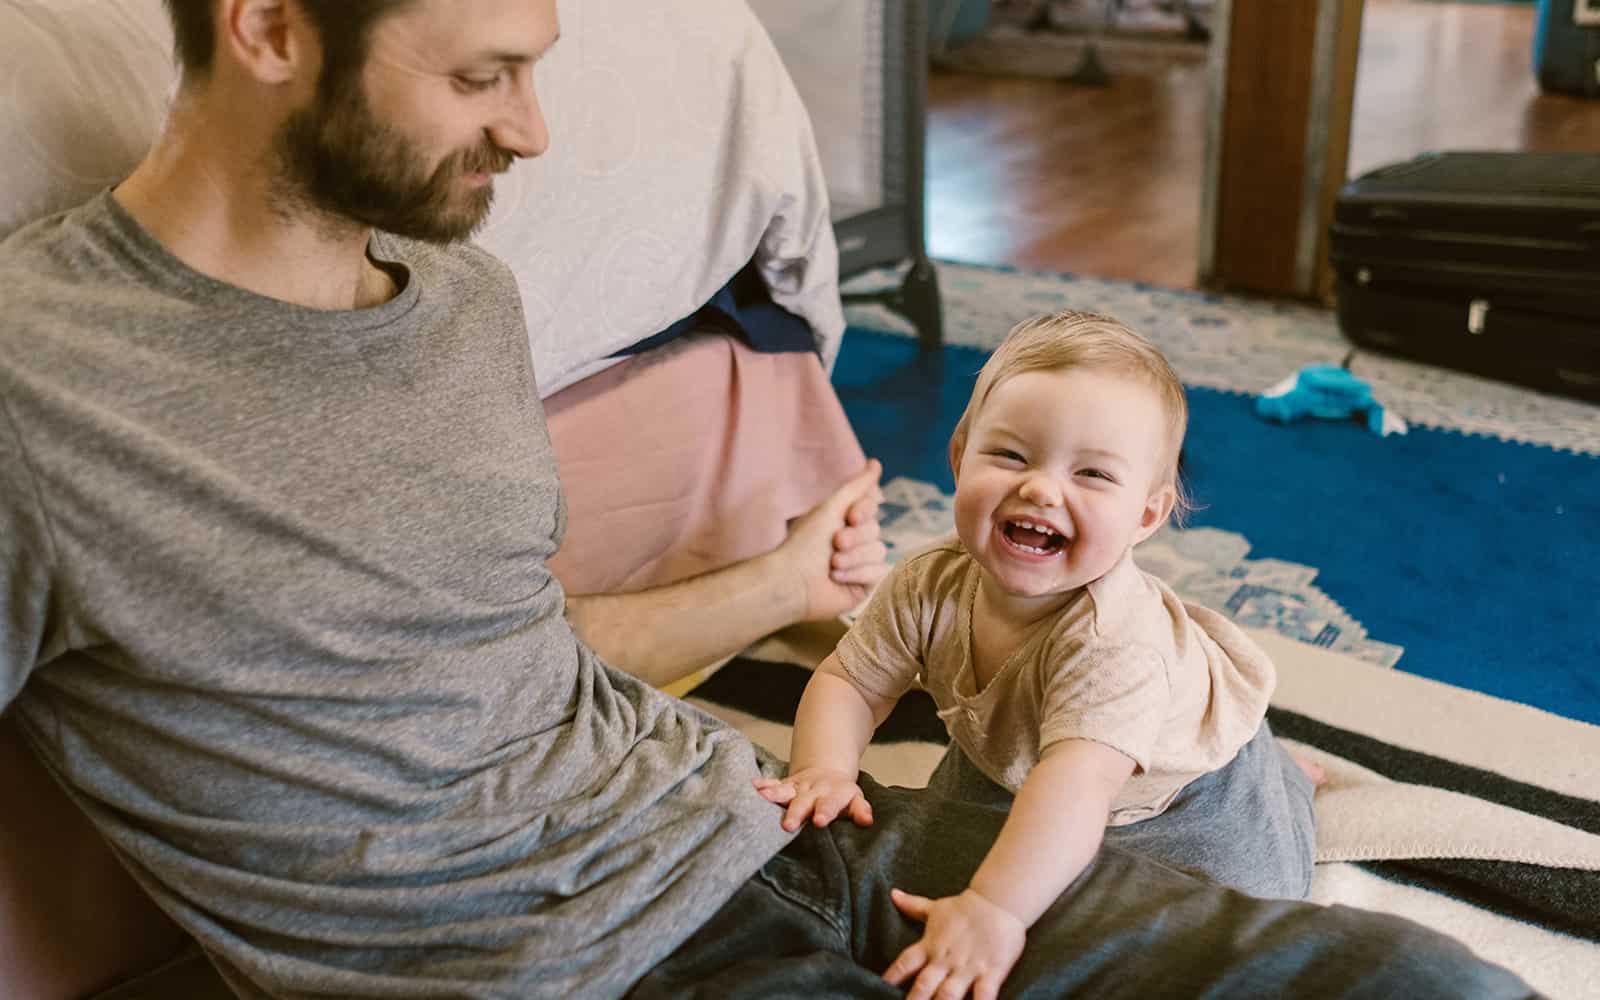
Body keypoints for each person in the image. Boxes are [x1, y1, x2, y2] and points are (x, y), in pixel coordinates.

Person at [0, 1, 1540, 998]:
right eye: (483, 76)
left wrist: (783, 587)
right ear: (268, 25)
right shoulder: (38, 388)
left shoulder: (459, 302)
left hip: (771, 832)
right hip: (557, 970)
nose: (534, 131)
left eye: (536, 66)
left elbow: (508, 639)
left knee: (1440, 991)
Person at [754, 311, 1317, 992]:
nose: (1041, 489)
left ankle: (1287, 782)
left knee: (1218, 920)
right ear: (960, 458)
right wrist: (824, 769)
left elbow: (1076, 787)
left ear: (1145, 515)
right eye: (1011, 456)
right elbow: (850, 680)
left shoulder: (1115, 642)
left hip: (1180, 799)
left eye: (1092, 474)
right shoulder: (927, 581)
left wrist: (995, 910)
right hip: (1023, 755)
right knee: (950, 840)